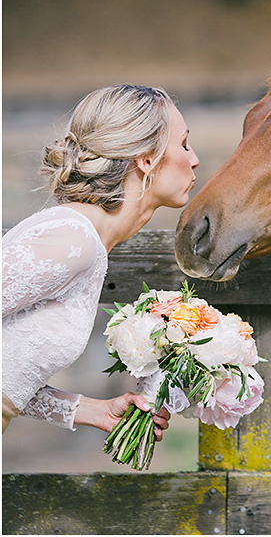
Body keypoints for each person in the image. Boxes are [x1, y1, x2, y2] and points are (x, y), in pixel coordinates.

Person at [2, 84, 199, 441]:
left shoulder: (89, 241)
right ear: (146, 159)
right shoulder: (72, 240)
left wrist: (92, 410)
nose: (194, 159)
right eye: (183, 144)